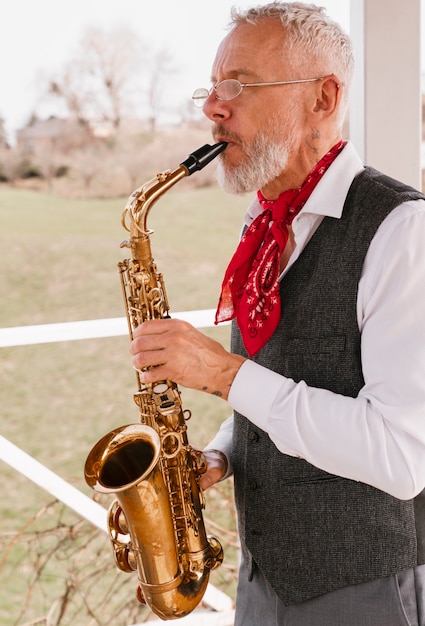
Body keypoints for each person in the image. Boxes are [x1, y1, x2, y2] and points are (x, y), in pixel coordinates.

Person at [130, 3, 425, 624]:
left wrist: (224, 375)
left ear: (323, 98)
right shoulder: (265, 227)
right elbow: (295, 383)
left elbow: (401, 458)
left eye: (238, 85)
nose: (213, 108)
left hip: (369, 586)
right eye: (210, 90)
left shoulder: (404, 230)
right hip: (264, 580)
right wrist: (221, 454)